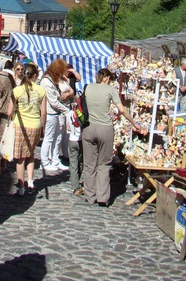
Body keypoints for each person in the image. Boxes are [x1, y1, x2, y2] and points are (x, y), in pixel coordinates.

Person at [82, 68, 145, 206]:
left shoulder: (88, 88)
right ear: (108, 78)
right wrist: (134, 123)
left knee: (89, 163)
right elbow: (121, 110)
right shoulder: (110, 90)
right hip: (105, 128)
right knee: (104, 163)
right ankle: (102, 197)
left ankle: (90, 195)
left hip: (88, 127)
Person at [7, 63, 47, 195]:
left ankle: (22, 186)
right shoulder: (41, 90)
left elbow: (9, 111)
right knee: (30, 154)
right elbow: (44, 112)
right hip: (35, 125)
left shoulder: (17, 90)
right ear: (35, 75)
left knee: (20, 158)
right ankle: (30, 181)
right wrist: (43, 127)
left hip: (20, 125)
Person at [40, 59, 73, 173]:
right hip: (50, 113)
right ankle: (44, 162)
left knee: (58, 137)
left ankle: (55, 160)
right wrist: (67, 111)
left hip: (57, 113)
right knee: (48, 138)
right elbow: (53, 101)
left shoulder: (53, 80)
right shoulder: (46, 81)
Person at [66, 105, 84, 196]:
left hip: (72, 140)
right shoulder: (82, 114)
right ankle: (78, 181)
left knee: (73, 164)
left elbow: (68, 128)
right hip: (80, 140)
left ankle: (75, 185)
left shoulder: (69, 114)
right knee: (80, 162)